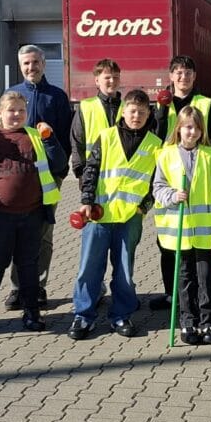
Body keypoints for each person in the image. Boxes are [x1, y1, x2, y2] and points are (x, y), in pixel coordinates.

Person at [0, 91, 68, 335]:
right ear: (0, 113)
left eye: (21, 110)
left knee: (28, 265)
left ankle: (31, 312)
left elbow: (59, 163)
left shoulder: (35, 136)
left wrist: (50, 139)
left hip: (32, 214)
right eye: (11, 110)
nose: (17, 114)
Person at [69, 89, 161, 340]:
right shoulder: (107, 136)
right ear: (123, 112)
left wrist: (144, 207)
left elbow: (156, 182)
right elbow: (91, 169)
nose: (136, 116)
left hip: (130, 218)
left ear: (149, 114)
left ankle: (121, 315)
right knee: (89, 268)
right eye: (132, 111)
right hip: (98, 215)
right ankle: (83, 316)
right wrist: (86, 200)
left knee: (124, 271)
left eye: (142, 112)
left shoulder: (156, 145)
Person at [150, 55, 211, 310]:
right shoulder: (161, 103)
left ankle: (198, 299)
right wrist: (161, 112)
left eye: (188, 73)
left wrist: (205, 152)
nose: (184, 77)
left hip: (199, 175)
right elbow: (154, 137)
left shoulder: (206, 103)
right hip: (170, 178)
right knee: (168, 241)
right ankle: (172, 295)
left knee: (198, 248)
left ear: (194, 76)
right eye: (179, 73)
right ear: (171, 76)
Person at [152, 107, 211, 345]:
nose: (192, 132)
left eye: (197, 128)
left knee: (206, 279)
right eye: (188, 127)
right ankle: (188, 322)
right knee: (185, 279)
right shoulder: (165, 155)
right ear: (179, 128)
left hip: (206, 232)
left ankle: (208, 322)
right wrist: (172, 196)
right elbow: (158, 187)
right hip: (180, 232)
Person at [5, 44, 72, 310]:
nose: (31, 67)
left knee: (43, 234)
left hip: (48, 178)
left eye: (35, 62)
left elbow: (66, 138)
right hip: (18, 177)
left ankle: (39, 287)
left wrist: (59, 170)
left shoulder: (57, 97)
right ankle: (17, 288)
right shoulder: (11, 95)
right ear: (20, 66)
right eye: (26, 63)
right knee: (17, 232)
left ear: (43, 64)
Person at [70, 58, 123, 179]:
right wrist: (81, 172)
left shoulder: (126, 108)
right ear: (97, 81)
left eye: (116, 77)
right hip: (92, 172)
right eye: (107, 77)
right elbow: (77, 140)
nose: (112, 81)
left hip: (120, 173)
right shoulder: (86, 106)